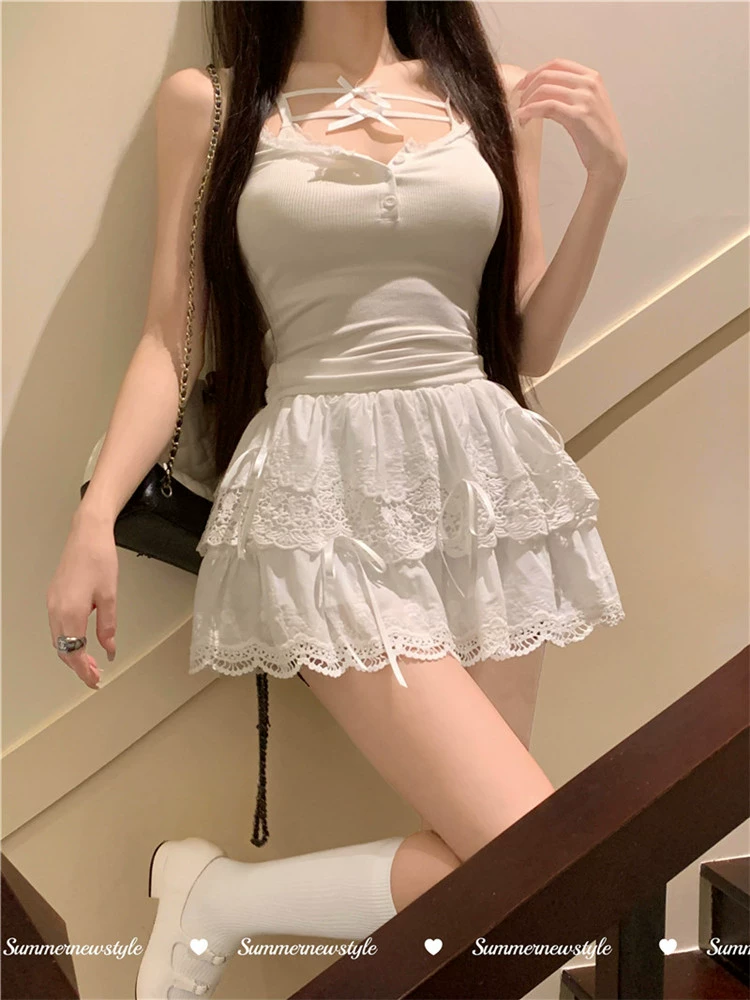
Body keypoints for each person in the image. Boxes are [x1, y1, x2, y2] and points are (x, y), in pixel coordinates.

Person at [46, 2, 628, 997]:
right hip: (318, 503)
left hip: (485, 489)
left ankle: (217, 900)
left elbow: (525, 346)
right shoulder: (214, 107)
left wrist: (605, 184)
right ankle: (215, 902)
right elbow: (168, 340)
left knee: (502, 874)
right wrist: (93, 515)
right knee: (546, 858)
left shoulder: (494, 96)